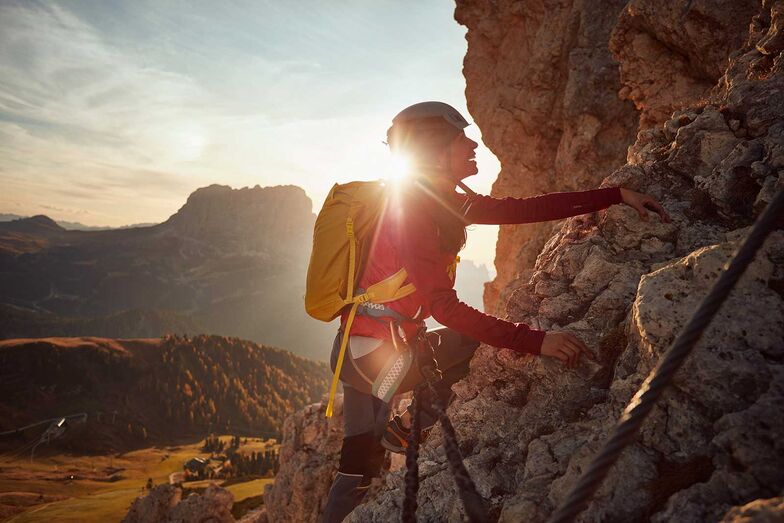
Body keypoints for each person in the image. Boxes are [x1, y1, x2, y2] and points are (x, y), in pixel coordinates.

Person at [321, 101, 670, 523]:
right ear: (434, 151)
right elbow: (445, 309)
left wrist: (614, 195)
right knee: (474, 345)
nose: (473, 146)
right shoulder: (413, 212)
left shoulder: (441, 202)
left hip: (360, 351)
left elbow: (526, 209)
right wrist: (536, 341)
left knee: (356, 467)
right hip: (378, 359)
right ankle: (407, 426)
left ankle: (396, 436)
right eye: (461, 139)